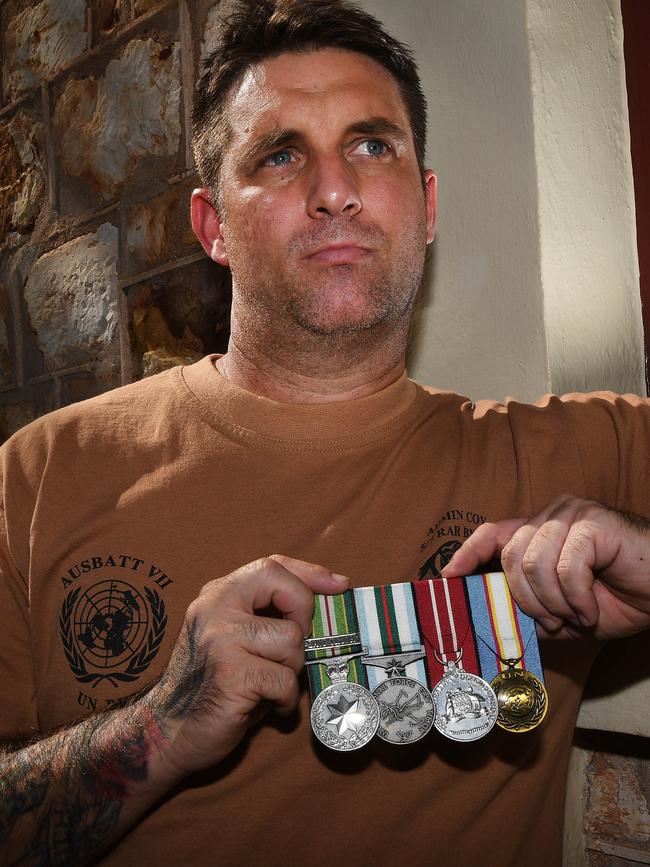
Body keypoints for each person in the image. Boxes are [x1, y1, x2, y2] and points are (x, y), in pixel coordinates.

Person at [1, 1, 649, 865]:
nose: (335, 189)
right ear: (213, 228)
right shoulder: (38, 476)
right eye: (280, 155)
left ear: (426, 207)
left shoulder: (582, 450)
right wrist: (160, 726)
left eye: (372, 145)